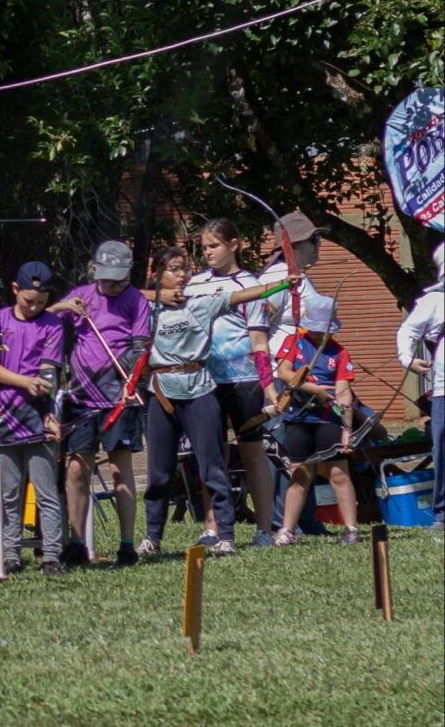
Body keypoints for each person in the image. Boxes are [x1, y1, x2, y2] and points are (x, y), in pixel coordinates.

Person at [139, 245, 290, 558]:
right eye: (174, 269)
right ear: (157, 274)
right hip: (162, 392)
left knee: (212, 466)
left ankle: (225, 535)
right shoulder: (145, 307)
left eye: (185, 269)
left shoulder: (203, 303)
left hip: (199, 390)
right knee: (159, 473)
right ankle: (152, 537)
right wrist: (155, 296)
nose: (182, 275)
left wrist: (285, 284)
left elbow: (245, 294)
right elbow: (110, 297)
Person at [0, 261, 75, 575]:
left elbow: (48, 372)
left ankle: (52, 554)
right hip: (2, 417)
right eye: (28, 301)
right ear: (15, 289)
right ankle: (9, 553)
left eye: (40, 302)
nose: (33, 307)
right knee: (7, 493)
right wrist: (25, 381)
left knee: (46, 491)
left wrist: (49, 411)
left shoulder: (52, 324)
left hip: (37, 416)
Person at [187, 219, 279, 547]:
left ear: (234, 244)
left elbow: (259, 342)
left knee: (253, 452)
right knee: (212, 455)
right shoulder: (195, 284)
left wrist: (268, 385)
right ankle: (213, 526)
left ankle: (265, 528)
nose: (208, 252)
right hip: (205, 380)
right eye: (204, 247)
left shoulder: (250, 285)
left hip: (244, 382)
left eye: (214, 246)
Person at [60, 240, 152, 564]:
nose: (111, 286)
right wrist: (64, 308)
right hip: (82, 397)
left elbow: (141, 348)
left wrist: (129, 380)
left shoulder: (136, 300)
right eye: (106, 279)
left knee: (119, 468)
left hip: (119, 398)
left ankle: (127, 545)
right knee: (76, 469)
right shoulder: (81, 295)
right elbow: (43, 320)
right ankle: (76, 543)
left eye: (118, 280)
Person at [271, 293, 361, 545]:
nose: (320, 335)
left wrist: (347, 429)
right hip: (298, 418)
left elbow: (343, 392)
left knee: (338, 473)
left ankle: (351, 529)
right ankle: (287, 530)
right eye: (316, 329)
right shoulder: (294, 342)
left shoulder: (340, 353)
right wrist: (314, 390)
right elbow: (284, 372)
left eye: (325, 330)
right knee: (299, 475)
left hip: (327, 420)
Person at [395, 240, 445, 531]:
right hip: (443, 388)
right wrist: (407, 360)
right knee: (443, 449)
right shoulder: (434, 301)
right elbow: (408, 331)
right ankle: (443, 513)